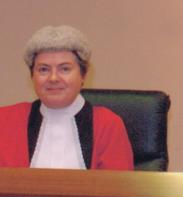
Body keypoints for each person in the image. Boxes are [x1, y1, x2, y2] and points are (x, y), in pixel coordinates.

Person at [0, 25, 134, 170]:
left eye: (65, 69)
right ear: (32, 76)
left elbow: (118, 189)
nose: (53, 78)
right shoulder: (5, 120)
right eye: (43, 69)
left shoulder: (108, 125)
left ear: (83, 75)